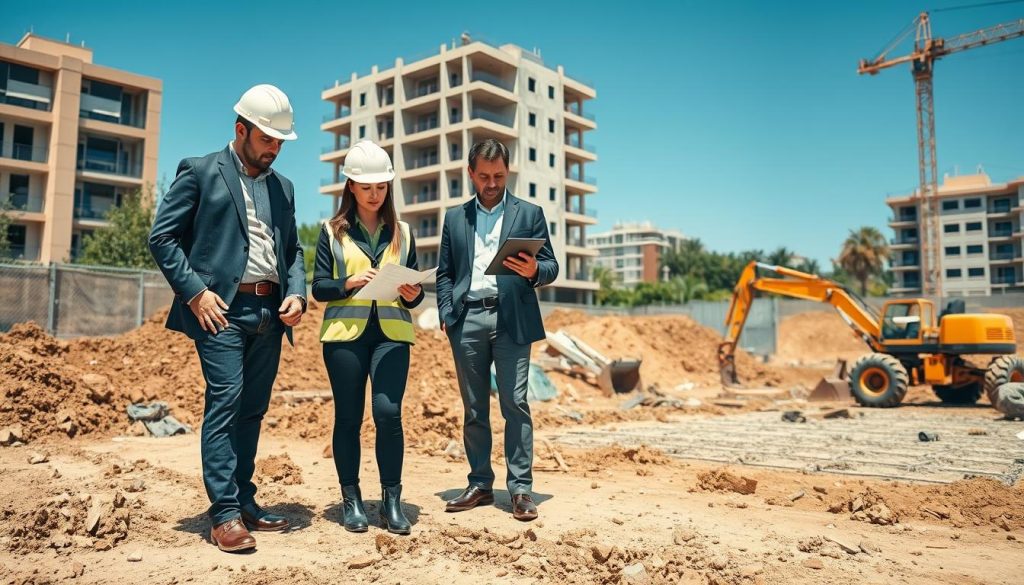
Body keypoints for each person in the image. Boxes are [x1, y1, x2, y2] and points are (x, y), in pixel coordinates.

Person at [148, 84, 307, 553]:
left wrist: (297, 292)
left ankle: (243, 500)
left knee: (253, 409)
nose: (274, 149)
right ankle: (223, 515)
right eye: (267, 140)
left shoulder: (284, 187)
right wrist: (195, 293)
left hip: (270, 312)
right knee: (227, 401)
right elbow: (163, 238)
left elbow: (293, 249)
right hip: (220, 312)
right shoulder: (200, 172)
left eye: (280, 142)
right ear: (241, 130)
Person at [436, 138, 558, 522]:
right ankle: (480, 484)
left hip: (512, 320)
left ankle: (520, 489)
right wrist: (445, 311)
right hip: (467, 319)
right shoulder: (455, 218)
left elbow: (552, 265)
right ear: (470, 173)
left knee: (515, 404)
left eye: (500, 176)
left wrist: (535, 271)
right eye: (485, 176)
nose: (492, 184)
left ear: (508, 172)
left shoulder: (530, 213)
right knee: (474, 407)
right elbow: (444, 273)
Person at [312, 140, 425, 535]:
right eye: (367, 186)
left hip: (392, 334)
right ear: (351, 187)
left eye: (381, 186)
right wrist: (348, 282)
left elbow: (415, 292)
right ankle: (352, 499)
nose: (375, 194)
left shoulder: (404, 233)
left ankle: (392, 501)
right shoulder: (331, 231)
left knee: (389, 414)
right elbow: (319, 288)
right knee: (348, 418)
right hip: (345, 337)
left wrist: (414, 293)